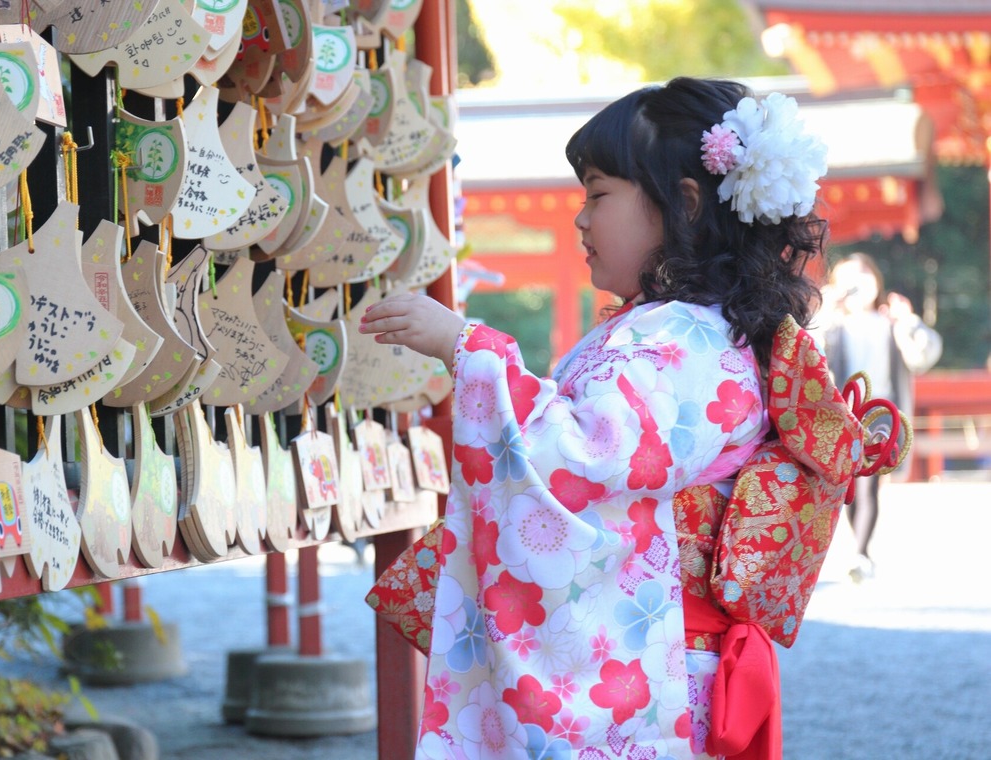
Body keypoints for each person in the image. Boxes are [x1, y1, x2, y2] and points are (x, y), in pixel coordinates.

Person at [361, 77, 840, 759]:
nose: (580, 220)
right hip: (660, 660)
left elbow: (582, 458)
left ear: (686, 203)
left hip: (655, 674)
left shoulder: (686, 339)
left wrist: (468, 351)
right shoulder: (684, 333)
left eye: (598, 194)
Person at [817, 253, 941, 582]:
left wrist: (908, 321)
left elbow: (923, 356)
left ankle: (861, 552)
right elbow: (809, 346)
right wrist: (828, 307)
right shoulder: (834, 325)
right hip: (845, 413)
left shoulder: (891, 322)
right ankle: (860, 552)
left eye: (864, 275)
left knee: (870, 483)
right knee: (851, 484)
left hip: (882, 414)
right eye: (849, 277)